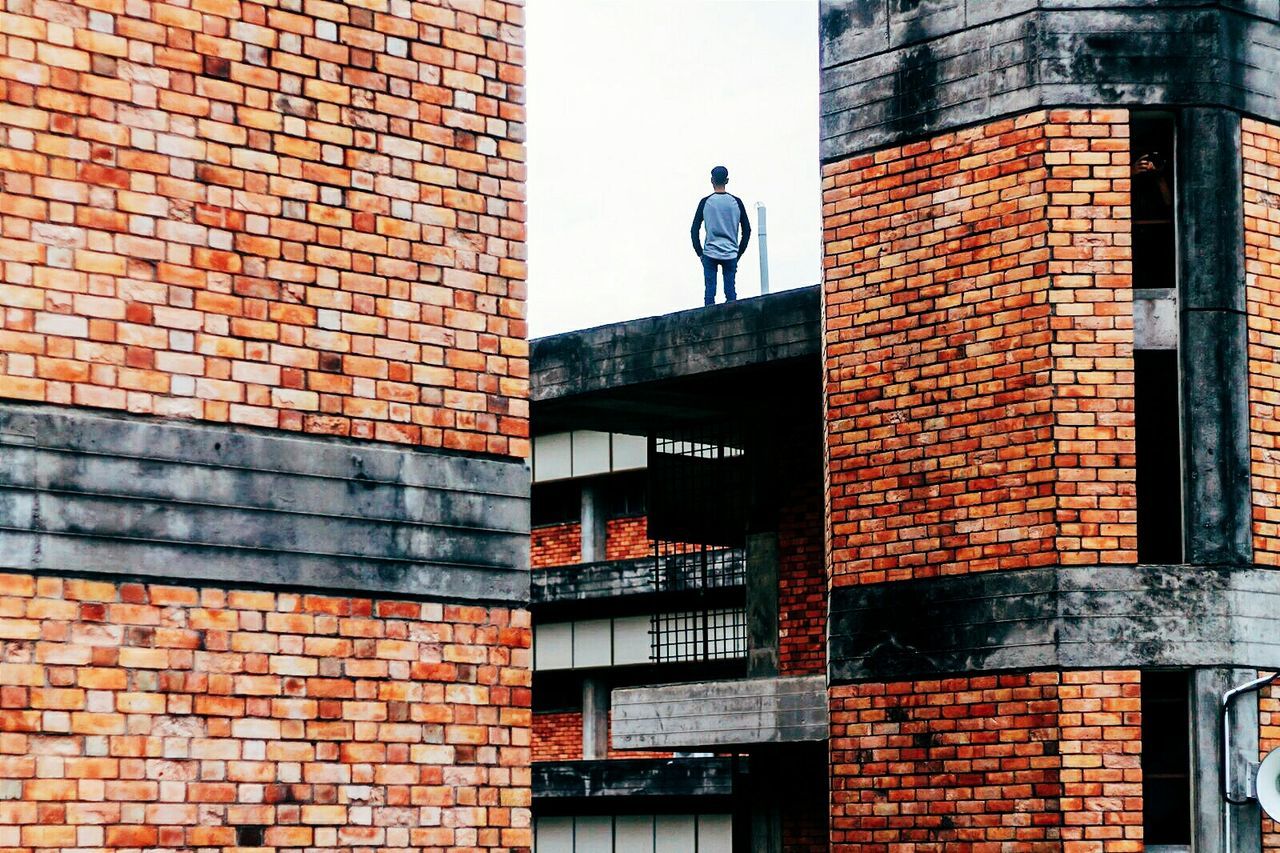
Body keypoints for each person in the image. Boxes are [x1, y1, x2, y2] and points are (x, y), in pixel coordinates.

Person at [690, 165, 751, 306]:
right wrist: (738, 252)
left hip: (710, 253)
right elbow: (747, 230)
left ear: (712, 180)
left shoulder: (705, 202)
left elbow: (694, 230)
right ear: (727, 180)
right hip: (731, 253)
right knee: (731, 293)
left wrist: (700, 253)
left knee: (709, 294)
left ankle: (708, 325)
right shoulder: (736, 202)